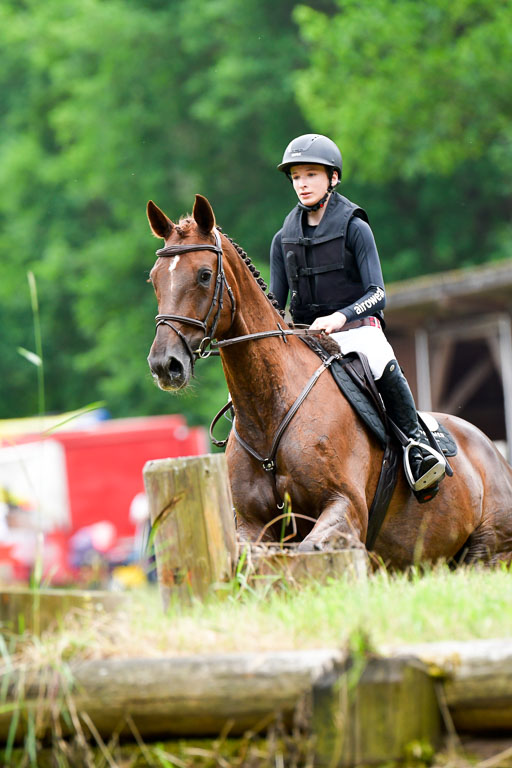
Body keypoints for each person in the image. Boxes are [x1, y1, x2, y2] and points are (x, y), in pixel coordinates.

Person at [270, 133, 446, 503]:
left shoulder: (354, 227)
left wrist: (339, 317)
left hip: (357, 333)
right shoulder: (282, 239)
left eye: (311, 175)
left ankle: (416, 446)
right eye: (297, 177)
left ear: (332, 177)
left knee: (381, 360)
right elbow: (275, 304)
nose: (302, 184)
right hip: (308, 340)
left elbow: (379, 293)